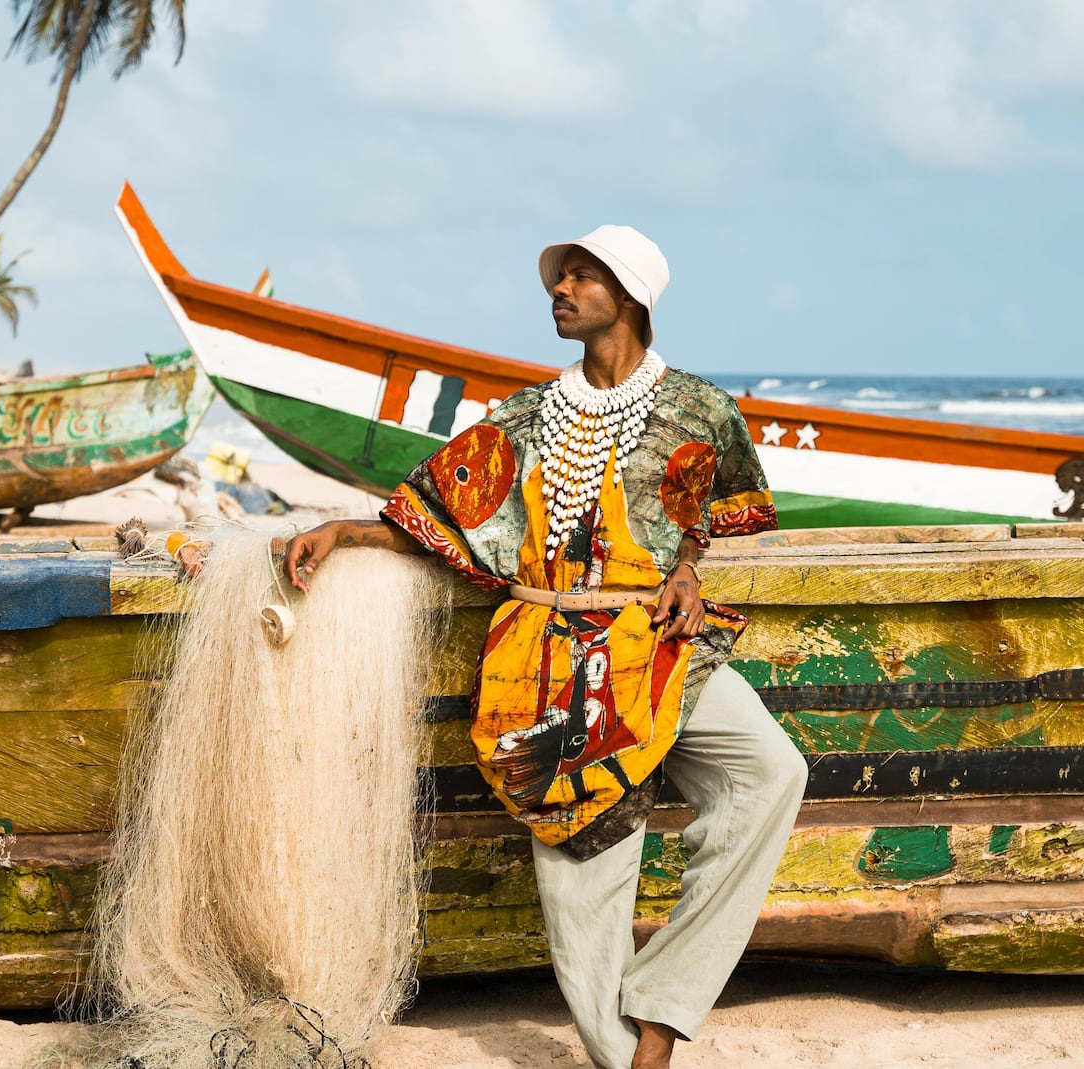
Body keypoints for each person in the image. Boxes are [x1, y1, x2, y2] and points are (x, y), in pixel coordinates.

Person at [283, 225, 805, 1069]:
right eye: (559, 277)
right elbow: (438, 512)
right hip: (547, 656)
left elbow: (704, 510)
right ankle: (632, 1053)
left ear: (628, 294)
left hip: (661, 642)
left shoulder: (702, 408)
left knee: (772, 773)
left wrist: (687, 567)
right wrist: (346, 529)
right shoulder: (526, 418)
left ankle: (665, 1007)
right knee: (584, 870)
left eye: (580, 276)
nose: (559, 289)